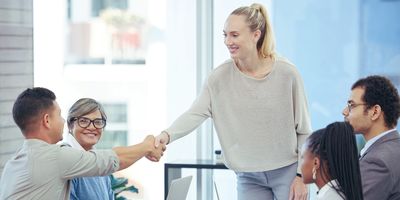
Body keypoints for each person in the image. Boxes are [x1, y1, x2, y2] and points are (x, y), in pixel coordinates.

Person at [153, 3, 312, 200]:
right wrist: (166, 135)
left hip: (287, 173)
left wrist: (300, 176)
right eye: (225, 35)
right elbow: (194, 114)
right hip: (248, 176)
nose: (228, 41)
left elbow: (304, 130)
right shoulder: (218, 78)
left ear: (256, 35)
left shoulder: (287, 74)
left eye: (235, 35)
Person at [0, 87, 165, 200]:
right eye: (59, 115)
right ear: (47, 120)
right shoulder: (57, 157)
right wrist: (148, 145)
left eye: (98, 122)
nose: (62, 121)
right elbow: (113, 159)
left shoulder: (13, 164)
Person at [342, 75, 400, 200]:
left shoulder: (377, 161)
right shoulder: (394, 148)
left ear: (375, 112)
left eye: (351, 105)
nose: (344, 111)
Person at [62, 98, 113, 199]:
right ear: (70, 125)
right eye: (84, 121)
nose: (92, 127)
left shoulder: (101, 162)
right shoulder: (65, 159)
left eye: (98, 122)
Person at [300, 121, 363, 200]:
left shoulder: (329, 197)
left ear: (316, 163)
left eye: (302, 157)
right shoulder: (340, 193)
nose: (300, 165)